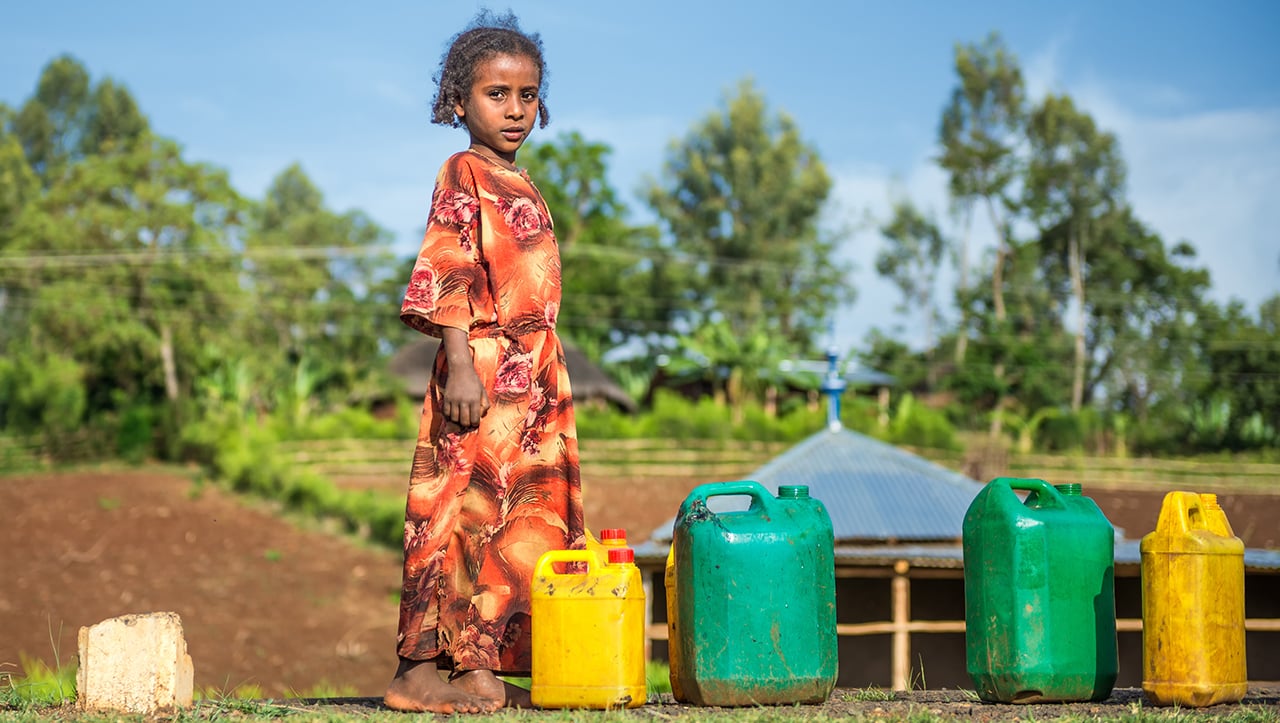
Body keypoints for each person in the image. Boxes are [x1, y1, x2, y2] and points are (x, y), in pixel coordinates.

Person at [384, 10, 585, 714]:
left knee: (513, 524)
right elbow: (450, 269)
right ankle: (415, 668)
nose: (515, 109)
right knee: (449, 513)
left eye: (526, 95)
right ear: (458, 103)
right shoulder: (462, 170)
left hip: (532, 387)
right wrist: (460, 363)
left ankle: (480, 664)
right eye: (496, 94)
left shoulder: (519, 179)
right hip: (481, 370)